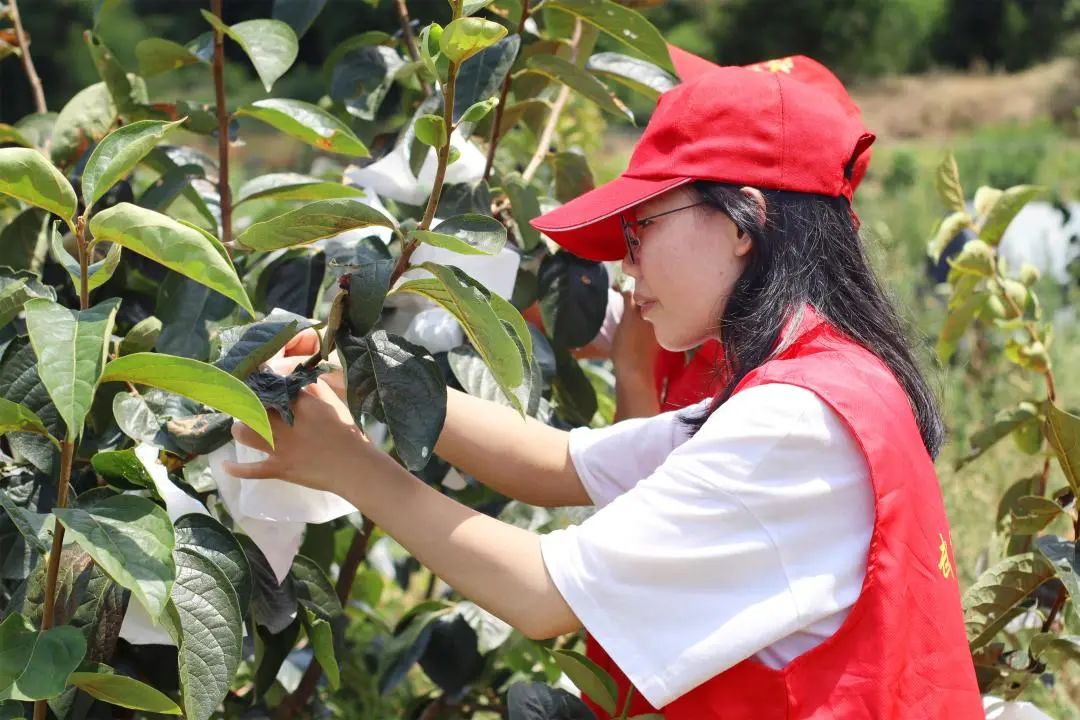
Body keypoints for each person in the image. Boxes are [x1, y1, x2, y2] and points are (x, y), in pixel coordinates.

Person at [224, 59, 984, 718]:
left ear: (743, 222)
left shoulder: (794, 424)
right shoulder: (825, 382)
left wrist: (349, 464)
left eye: (642, 230)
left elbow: (542, 596)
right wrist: (363, 381)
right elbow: (560, 463)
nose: (627, 269)